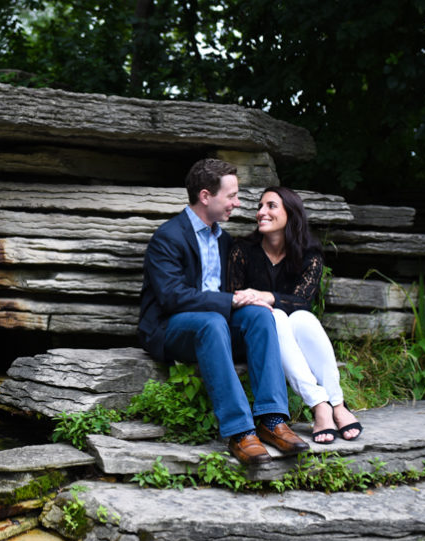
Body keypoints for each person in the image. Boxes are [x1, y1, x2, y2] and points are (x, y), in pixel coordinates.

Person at [137, 158, 309, 465]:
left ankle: (272, 420)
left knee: (259, 315)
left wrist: (254, 298)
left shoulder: (225, 240)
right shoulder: (168, 237)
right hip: (170, 328)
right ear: (206, 197)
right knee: (213, 321)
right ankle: (239, 432)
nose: (237, 203)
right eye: (231, 196)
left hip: (215, 326)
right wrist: (228, 302)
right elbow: (171, 297)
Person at [228, 186, 363, 443]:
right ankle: (320, 404)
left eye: (270, 206)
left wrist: (269, 296)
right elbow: (234, 297)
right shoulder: (242, 250)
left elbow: (303, 301)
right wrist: (264, 304)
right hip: (255, 338)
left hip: (295, 330)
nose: (261, 212)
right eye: (260, 206)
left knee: (303, 318)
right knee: (275, 317)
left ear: (291, 214)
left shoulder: (309, 255)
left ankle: (336, 403)